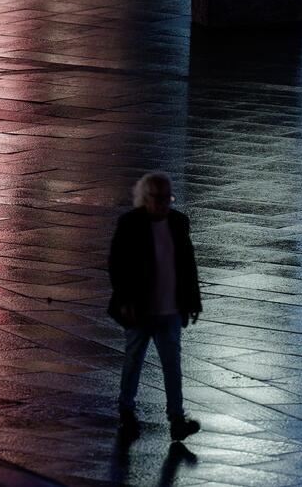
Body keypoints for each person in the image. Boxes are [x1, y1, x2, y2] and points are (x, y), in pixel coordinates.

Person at [107, 172, 202, 442]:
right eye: (158, 198)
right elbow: (117, 265)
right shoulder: (130, 223)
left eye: (167, 198)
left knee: (172, 366)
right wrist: (125, 301)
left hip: (170, 309)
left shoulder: (178, 222)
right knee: (134, 360)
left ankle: (176, 419)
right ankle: (127, 409)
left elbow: (187, 265)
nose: (163, 204)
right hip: (141, 309)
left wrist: (192, 302)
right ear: (145, 198)